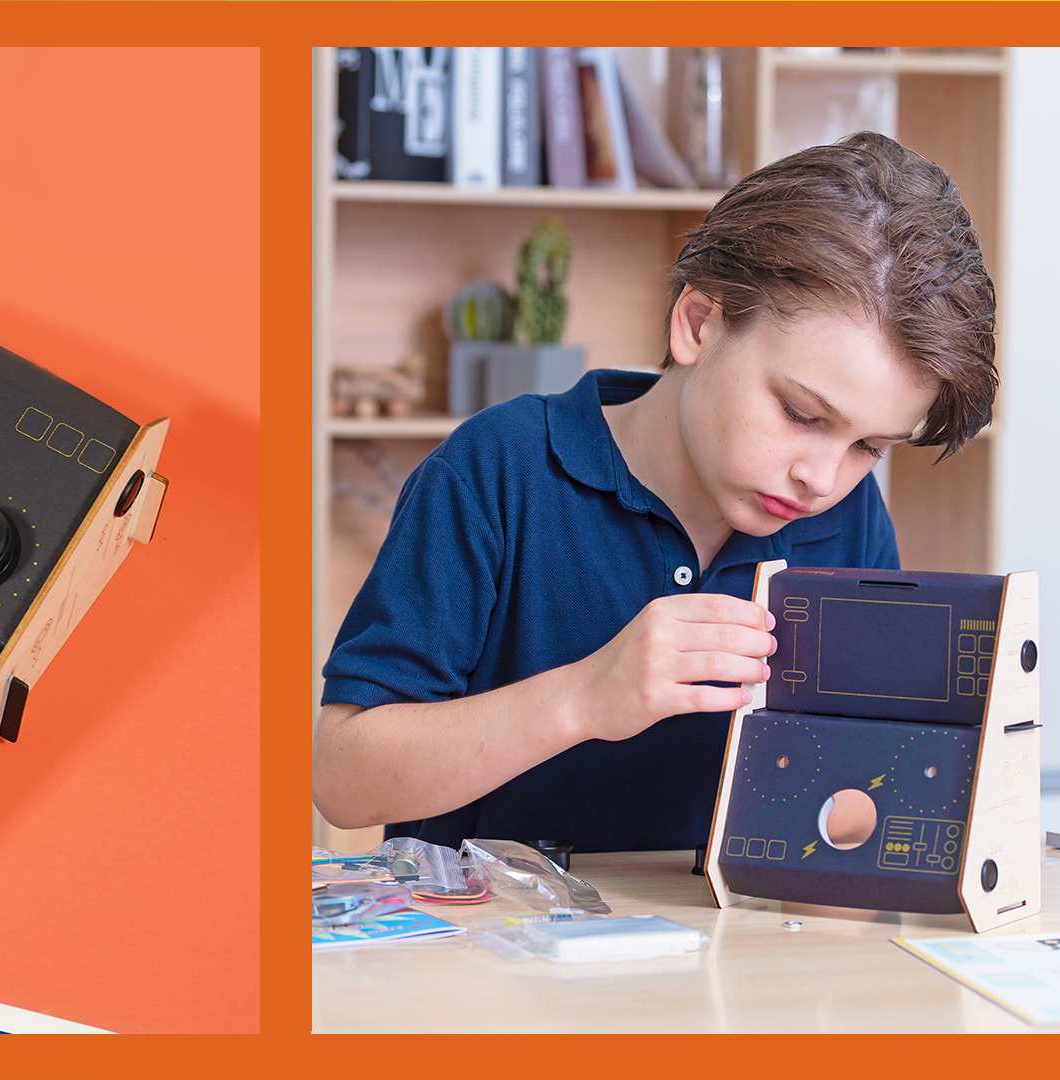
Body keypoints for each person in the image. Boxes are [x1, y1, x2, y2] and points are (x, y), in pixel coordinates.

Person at [314, 132, 997, 853]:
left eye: (868, 447)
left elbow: (855, 803)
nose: (821, 479)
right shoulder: (498, 471)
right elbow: (343, 778)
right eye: (801, 414)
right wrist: (585, 697)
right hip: (487, 950)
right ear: (699, 323)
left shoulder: (845, 517)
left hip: (724, 956)